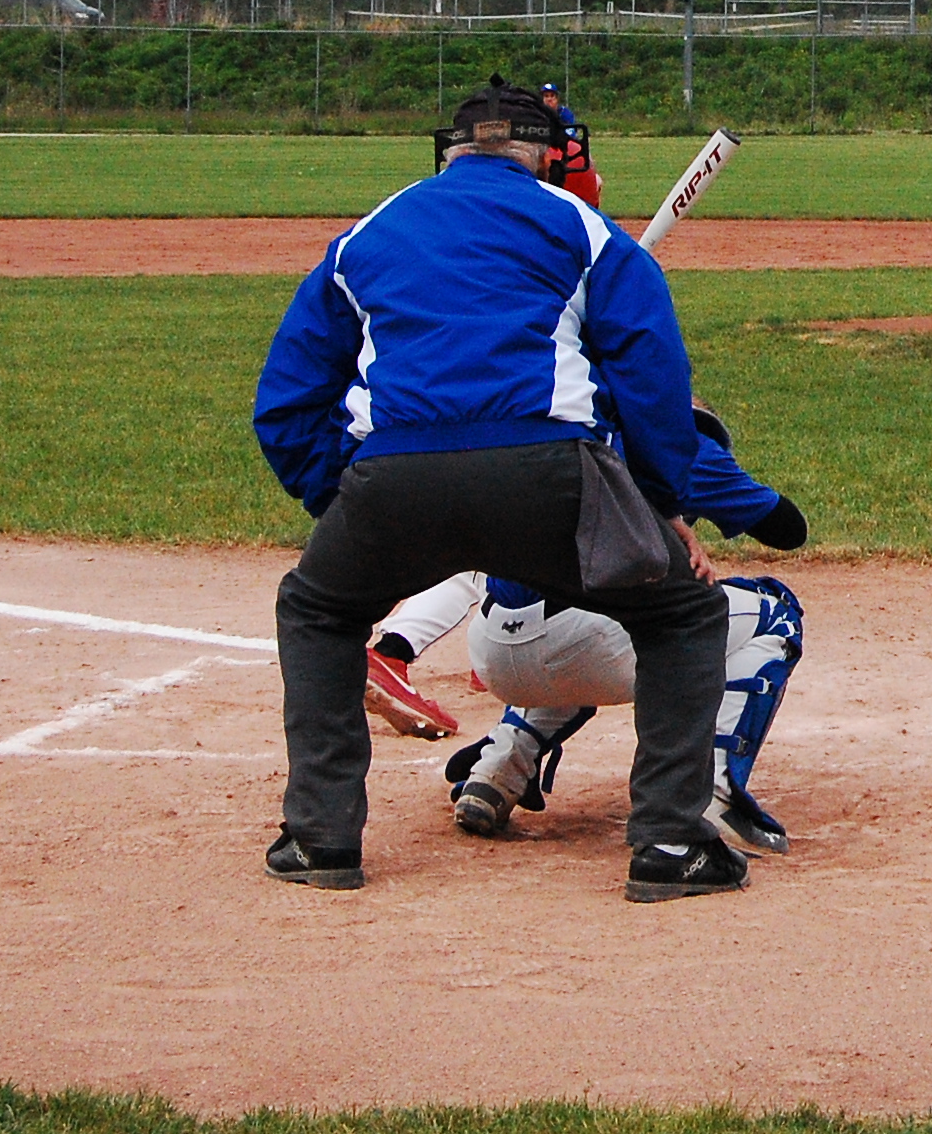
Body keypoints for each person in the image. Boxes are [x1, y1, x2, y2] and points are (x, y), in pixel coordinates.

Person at [253, 76, 743, 903]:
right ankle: (669, 843)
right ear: (545, 156)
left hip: (394, 475)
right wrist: (660, 504)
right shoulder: (582, 227)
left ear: (448, 153)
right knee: (684, 616)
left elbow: (287, 401)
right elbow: (654, 380)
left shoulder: (365, 235)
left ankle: (319, 837)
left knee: (318, 610)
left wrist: (338, 497)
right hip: (548, 475)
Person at [366, 407, 810, 855]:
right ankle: (714, 796)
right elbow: (788, 530)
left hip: (491, 648)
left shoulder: (552, 436)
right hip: (590, 642)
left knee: (575, 628)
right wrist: (699, 493)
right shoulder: (683, 446)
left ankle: (497, 771)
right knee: (772, 613)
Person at [538, 81, 601, 210]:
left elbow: (570, 136)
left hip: (566, 153)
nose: (549, 99)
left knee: (595, 175)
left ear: (557, 99)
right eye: (546, 96)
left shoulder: (565, 113)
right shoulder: (537, 114)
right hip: (545, 154)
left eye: (552, 96)